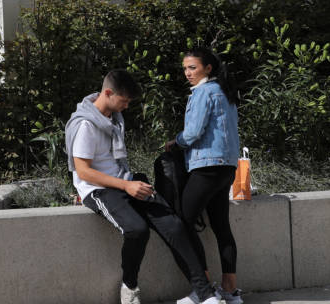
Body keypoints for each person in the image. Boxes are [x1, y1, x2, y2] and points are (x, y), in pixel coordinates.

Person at [65, 69, 219, 304]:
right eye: (124, 100)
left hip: (125, 180)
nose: (126, 106)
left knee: (174, 225)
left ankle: (205, 294)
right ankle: (129, 287)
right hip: (97, 189)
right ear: (108, 93)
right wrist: (126, 186)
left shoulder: (113, 118)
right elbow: (83, 171)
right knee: (137, 230)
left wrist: (129, 183)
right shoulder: (86, 124)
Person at [166, 47, 242, 304]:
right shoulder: (226, 92)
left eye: (192, 67)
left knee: (183, 223)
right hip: (227, 168)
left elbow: (193, 132)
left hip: (207, 166)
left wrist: (174, 143)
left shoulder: (204, 92)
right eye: (185, 68)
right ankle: (230, 291)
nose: (187, 73)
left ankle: (203, 290)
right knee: (221, 226)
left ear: (207, 68)